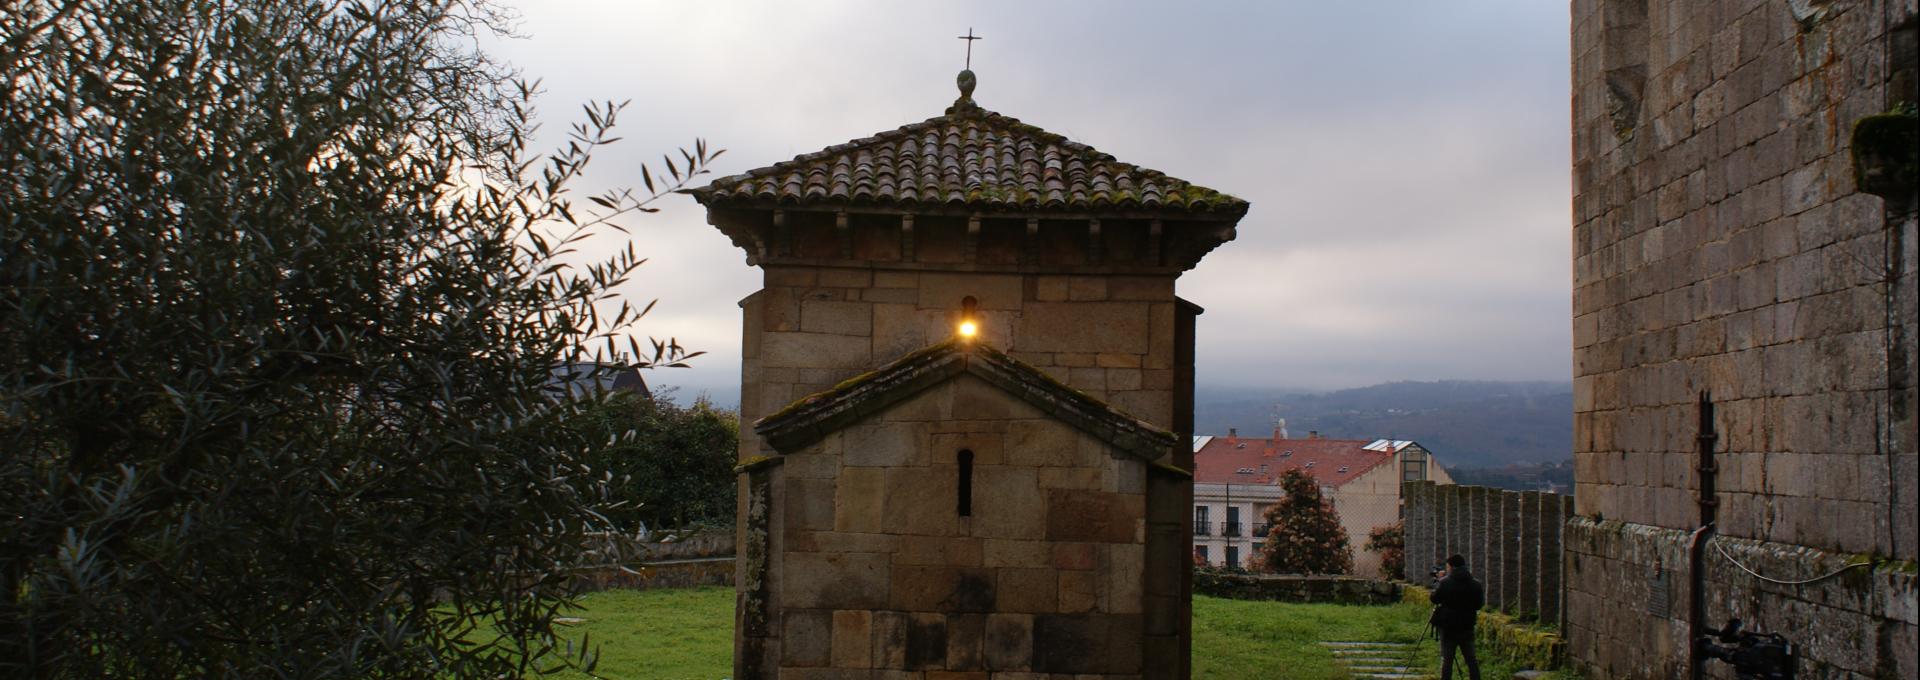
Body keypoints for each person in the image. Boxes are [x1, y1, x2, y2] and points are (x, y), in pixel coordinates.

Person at [1430, 554, 1484, 680]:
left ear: (1452, 567)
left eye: (1447, 567)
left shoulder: (1445, 583)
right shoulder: (1476, 584)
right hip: (1467, 625)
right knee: (1471, 659)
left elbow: (1434, 599)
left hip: (1448, 626)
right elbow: (1479, 604)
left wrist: (1439, 582)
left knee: (1447, 659)